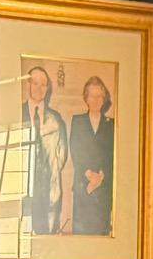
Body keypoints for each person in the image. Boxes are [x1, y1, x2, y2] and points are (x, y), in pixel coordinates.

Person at [18, 65, 67, 234]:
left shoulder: (56, 118)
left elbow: (61, 155)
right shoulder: (17, 113)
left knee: (47, 239)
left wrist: (48, 172)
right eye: (35, 83)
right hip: (23, 189)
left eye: (43, 84)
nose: (39, 88)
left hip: (48, 190)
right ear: (28, 85)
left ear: (48, 88)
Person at [68, 76, 114, 235]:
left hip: (103, 187)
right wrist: (88, 175)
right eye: (92, 96)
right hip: (83, 185)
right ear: (86, 98)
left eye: (99, 96)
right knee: (82, 235)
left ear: (104, 99)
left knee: (101, 234)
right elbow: (75, 150)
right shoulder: (78, 121)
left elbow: (111, 154)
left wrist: (100, 177)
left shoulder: (111, 124)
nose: (95, 100)